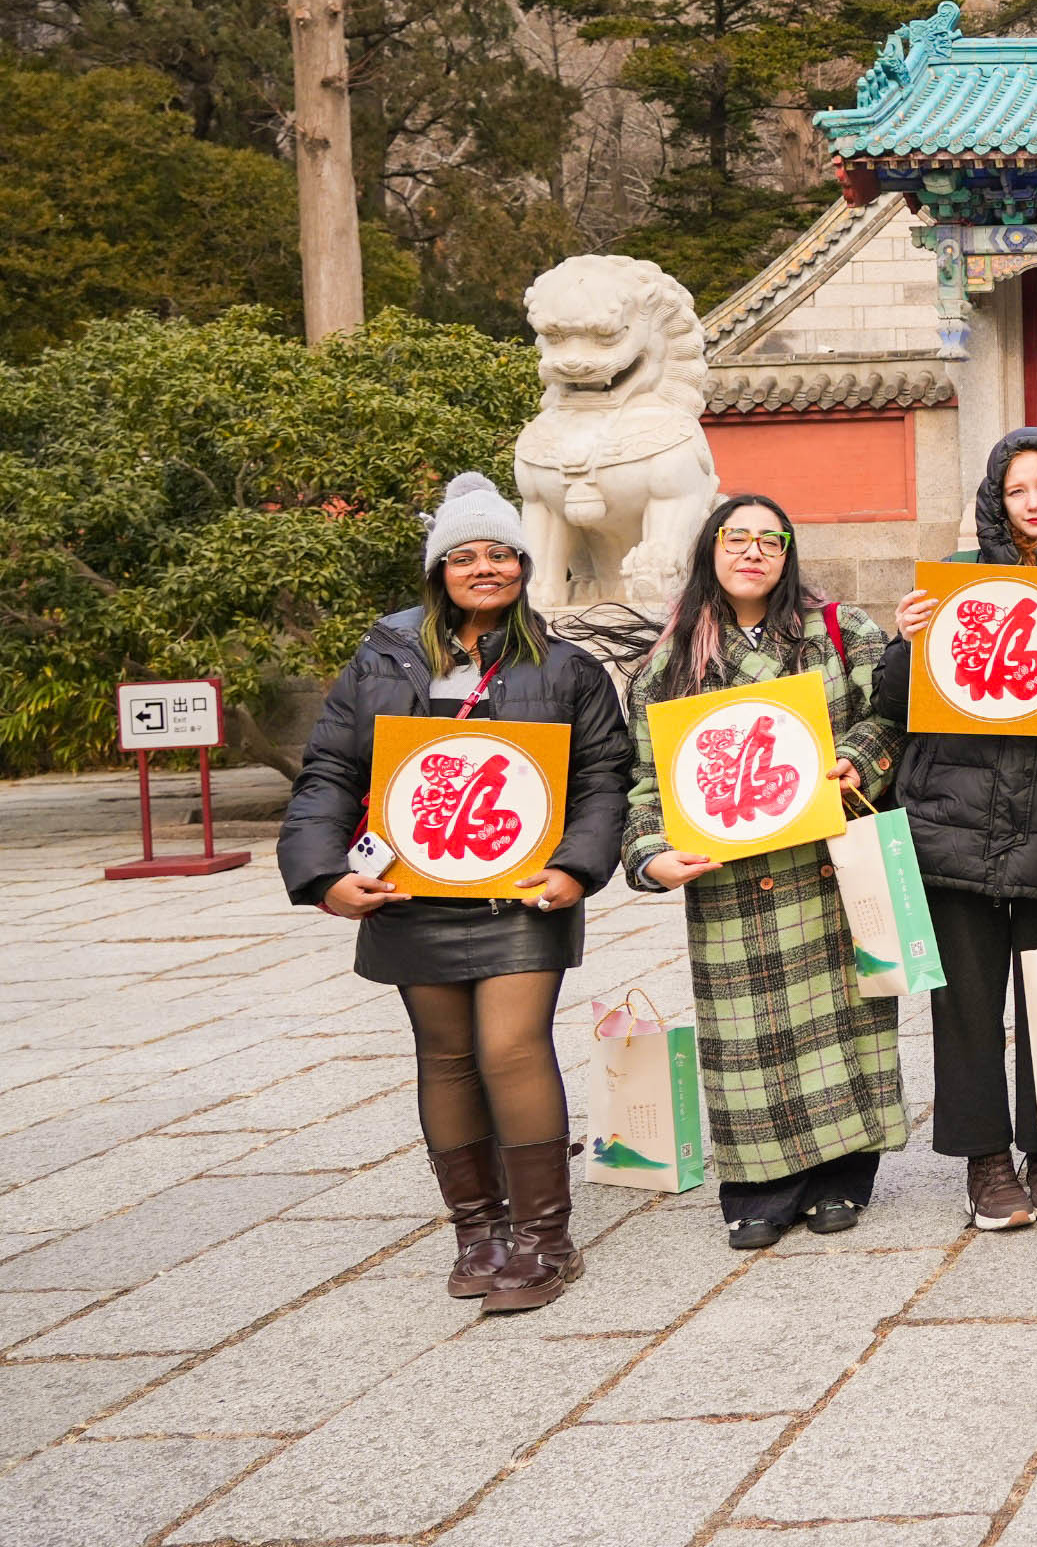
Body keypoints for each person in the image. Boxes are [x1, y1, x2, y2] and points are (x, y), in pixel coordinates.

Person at [278, 472, 632, 1313]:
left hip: (521, 890)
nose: (485, 568)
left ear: (522, 566)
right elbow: (331, 767)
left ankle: (545, 1237)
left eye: (501, 554)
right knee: (443, 1056)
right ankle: (477, 1229)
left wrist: (576, 867)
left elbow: (602, 775)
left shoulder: (568, 666)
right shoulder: (385, 657)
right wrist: (324, 875)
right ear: (439, 570)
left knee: (511, 1048)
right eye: (465, 555)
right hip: (413, 889)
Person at [625, 497, 903, 1249]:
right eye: (735, 538)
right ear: (709, 549)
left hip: (830, 859)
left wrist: (862, 759)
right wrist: (650, 853)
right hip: (731, 878)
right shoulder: (669, 661)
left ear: (789, 552)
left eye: (769, 540)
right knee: (745, 1033)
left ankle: (844, 1172)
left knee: (846, 1017)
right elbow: (647, 781)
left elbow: (892, 712)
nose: (752, 552)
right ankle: (759, 1183)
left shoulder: (840, 631)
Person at [875, 428, 1037, 1234]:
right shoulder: (953, 587)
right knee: (967, 1004)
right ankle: (985, 1158)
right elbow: (890, 700)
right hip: (952, 825)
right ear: (995, 499)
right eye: (1018, 489)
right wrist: (905, 638)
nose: (1034, 503)